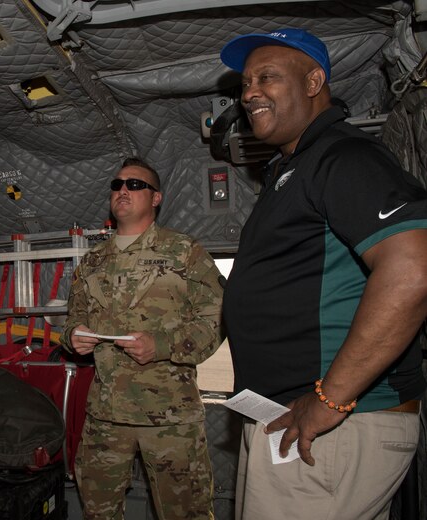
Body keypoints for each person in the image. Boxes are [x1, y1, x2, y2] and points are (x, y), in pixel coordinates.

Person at [220, 28, 427, 520]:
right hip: (300, 421)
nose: (249, 92)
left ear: (314, 81)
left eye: (267, 77)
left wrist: (329, 400)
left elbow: (413, 270)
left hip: (330, 427)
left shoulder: (344, 156)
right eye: (245, 82)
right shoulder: (295, 167)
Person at [60, 157, 224, 520]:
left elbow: (216, 320)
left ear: (156, 198)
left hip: (169, 416)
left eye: (135, 185)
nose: (123, 191)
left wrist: (161, 346)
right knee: (98, 513)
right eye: (117, 185)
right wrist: (74, 336)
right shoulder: (92, 261)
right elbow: (73, 319)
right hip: (105, 415)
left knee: (186, 513)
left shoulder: (183, 251)